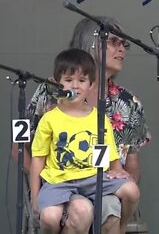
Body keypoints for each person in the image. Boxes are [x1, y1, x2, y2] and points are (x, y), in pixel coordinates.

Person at [12, 16, 151, 233]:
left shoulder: (128, 103)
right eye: (114, 41)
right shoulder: (49, 90)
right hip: (57, 184)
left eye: (125, 44)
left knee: (111, 210)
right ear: (90, 42)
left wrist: (122, 176)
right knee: (79, 210)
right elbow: (18, 148)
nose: (122, 48)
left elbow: (132, 162)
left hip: (103, 187)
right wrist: (49, 184)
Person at [30, 48, 140, 234]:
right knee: (49, 218)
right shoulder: (50, 118)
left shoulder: (100, 119)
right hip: (59, 181)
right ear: (58, 83)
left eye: (81, 81)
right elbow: (38, 159)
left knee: (132, 191)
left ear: (90, 85)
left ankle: (121, 230)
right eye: (68, 80)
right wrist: (35, 197)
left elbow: (111, 155)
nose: (75, 86)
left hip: (92, 178)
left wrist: (118, 171)